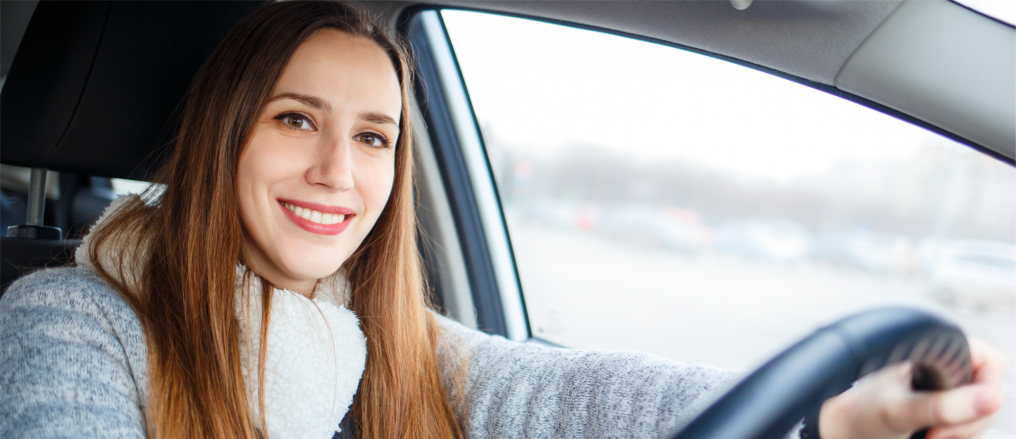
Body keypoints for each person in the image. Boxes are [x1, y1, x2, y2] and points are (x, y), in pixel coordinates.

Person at [0, 1, 1005, 438]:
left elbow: (581, 393)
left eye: (374, 136)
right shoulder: (72, 317)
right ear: (225, 136)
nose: (336, 171)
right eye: (295, 119)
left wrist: (830, 415)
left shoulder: (391, 340)